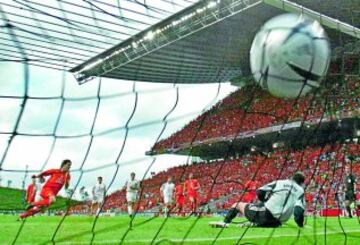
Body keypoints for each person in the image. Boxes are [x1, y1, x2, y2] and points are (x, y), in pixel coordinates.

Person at [209, 172, 306, 228]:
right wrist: (300, 225)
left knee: (237, 205)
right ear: (301, 183)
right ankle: (255, 223)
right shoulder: (301, 191)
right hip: (278, 223)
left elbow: (260, 191)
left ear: (292, 177)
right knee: (261, 213)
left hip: (266, 215)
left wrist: (264, 201)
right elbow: (298, 211)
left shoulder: (280, 182)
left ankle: (225, 223)